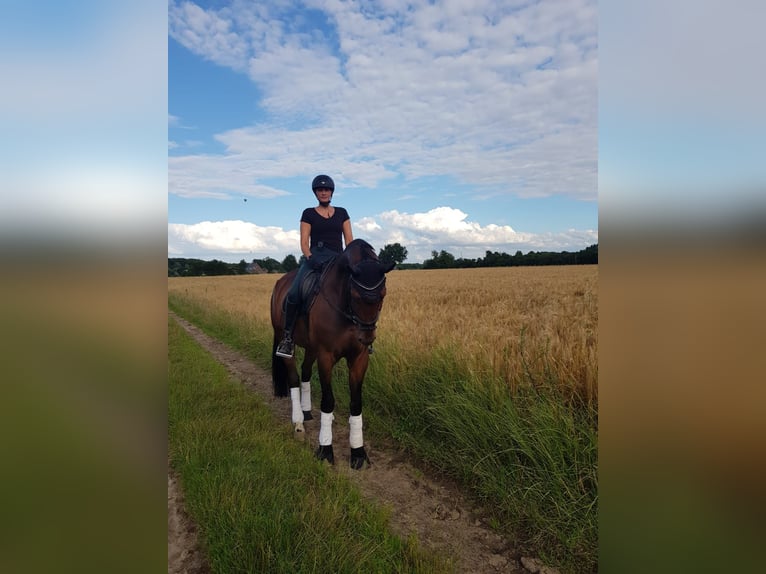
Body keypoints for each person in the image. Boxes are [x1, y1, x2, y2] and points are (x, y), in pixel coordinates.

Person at [275, 174, 353, 358]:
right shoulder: (308, 213)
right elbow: (303, 242)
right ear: (316, 193)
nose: (323, 192)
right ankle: (287, 338)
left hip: (338, 259)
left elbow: (349, 240)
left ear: (331, 192)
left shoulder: (342, 212)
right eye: (320, 190)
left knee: (358, 290)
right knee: (294, 293)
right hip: (315, 259)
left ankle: (361, 335)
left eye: (326, 189)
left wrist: (350, 260)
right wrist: (311, 258)